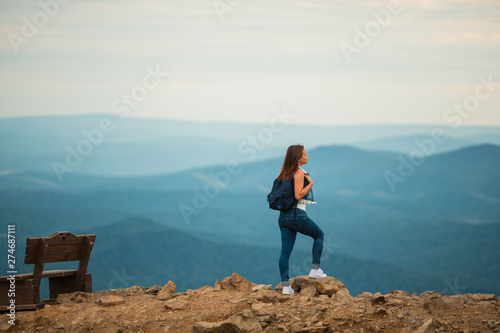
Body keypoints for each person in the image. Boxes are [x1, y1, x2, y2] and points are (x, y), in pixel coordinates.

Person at [276, 144, 326, 295]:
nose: (307, 156)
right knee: (319, 235)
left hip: (283, 216)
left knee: (285, 252)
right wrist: (310, 183)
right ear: (298, 157)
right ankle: (315, 269)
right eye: (305, 154)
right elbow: (298, 195)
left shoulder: (284, 172)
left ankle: (286, 287)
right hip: (297, 215)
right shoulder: (298, 172)